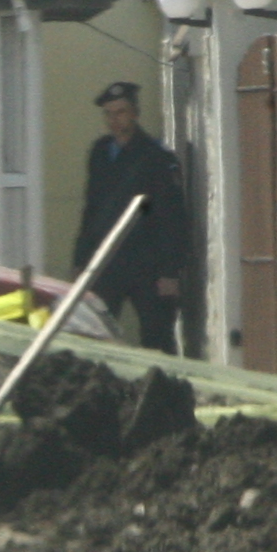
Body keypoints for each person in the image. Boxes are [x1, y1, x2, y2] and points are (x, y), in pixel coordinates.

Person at [73, 81, 190, 352]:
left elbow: (172, 216)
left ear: (135, 113)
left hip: (147, 263)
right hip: (107, 261)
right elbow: (91, 209)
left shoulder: (156, 157)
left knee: (157, 336)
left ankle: (164, 391)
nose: (114, 120)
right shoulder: (100, 152)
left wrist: (169, 272)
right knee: (99, 335)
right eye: (109, 113)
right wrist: (81, 259)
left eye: (121, 112)